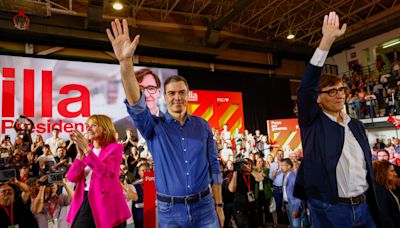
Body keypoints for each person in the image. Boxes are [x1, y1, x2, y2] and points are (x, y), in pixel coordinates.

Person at [106, 18, 224, 227]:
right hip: (170, 211)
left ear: (188, 95)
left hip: (205, 208)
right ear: (164, 97)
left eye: (181, 93)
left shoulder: (202, 125)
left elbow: (214, 167)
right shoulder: (153, 126)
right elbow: (136, 104)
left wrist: (219, 205)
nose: (177, 97)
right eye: (172, 93)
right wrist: (125, 63)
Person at [294, 11, 379, 227]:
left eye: (341, 89)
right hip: (331, 211)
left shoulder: (357, 125)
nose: (340, 94)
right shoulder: (312, 124)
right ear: (318, 99)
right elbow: (305, 90)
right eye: (331, 91)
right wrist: (326, 42)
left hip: (365, 206)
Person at [66, 114, 131, 228]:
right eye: (87, 126)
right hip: (85, 199)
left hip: (107, 203)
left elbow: (104, 173)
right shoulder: (87, 150)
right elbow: (71, 177)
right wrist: (80, 155)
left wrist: (86, 151)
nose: (89, 129)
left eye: (94, 125)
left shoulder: (115, 148)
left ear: (105, 129)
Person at [114, 68, 163, 140]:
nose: (146, 94)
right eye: (140, 89)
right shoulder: (116, 127)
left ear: (159, 93)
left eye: (151, 88)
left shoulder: (173, 124)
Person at [372, 160, 400, 227]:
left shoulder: (389, 186)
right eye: (392, 171)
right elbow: (385, 217)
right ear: (383, 173)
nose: (396, 174)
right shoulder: (379, 191)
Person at [281, 158, 301, 228]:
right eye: (281, 165)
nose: (281, 167)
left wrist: (296, 209)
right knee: (292, 225)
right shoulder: (284, 176)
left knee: (296, 225)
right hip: (287, 204)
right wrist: (283, 205)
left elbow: (298, 194)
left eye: (283, 165)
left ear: (289, 166)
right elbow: (284, 191)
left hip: (294, 205)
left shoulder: (293, 177)